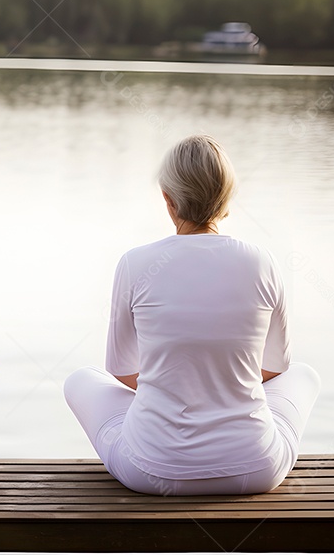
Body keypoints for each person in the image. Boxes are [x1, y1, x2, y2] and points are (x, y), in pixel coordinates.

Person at [64, 134, 320, 496]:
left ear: (168, 200)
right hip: (257, 470)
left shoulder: (135, 263)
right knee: (304, 375)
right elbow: (276, 367)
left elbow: (121, 371)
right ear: (227, 200)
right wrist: (219, 387)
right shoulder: (262, 261)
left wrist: (176, 391)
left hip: (149, 471)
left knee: (81, 379)